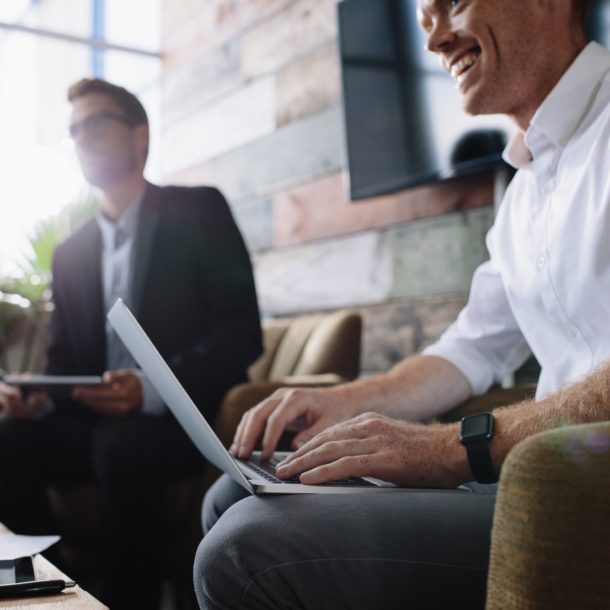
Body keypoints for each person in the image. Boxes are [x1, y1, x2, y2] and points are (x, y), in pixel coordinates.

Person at [194, 0, 606, 608]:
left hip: (580, 491)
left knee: (245, 547)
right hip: (533, 479)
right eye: (423, 19)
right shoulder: (524, 193)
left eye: (452, 5)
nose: (435, 39)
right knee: (234, 496)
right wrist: (340, 403)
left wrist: (454, 448)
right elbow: (469, 347)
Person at [0, 78, 262, 610]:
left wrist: (148, 390)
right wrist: (36, 398)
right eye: (73, 130)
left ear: (140, 134)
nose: (81, 138)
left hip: (176, 422)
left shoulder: (198, 211)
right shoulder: (70, 252)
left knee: (122, 446)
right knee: (8, 439)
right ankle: (61, 589)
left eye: (95, 123)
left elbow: (242, 332)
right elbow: (64, 362)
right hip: (94, 424)